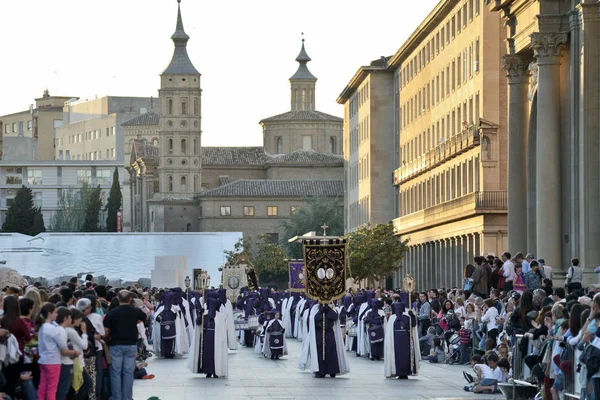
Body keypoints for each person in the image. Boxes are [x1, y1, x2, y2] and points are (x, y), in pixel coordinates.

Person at [103, 290, 147, 400]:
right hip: (131, 345)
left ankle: (117, 397)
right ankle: (127, 397)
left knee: (115, 373)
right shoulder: (135, 311)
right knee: (128, 372)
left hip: (115, 345)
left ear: (118, 299)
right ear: (129, 299)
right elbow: (145, 318)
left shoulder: (112, 313)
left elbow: (106, 331)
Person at [37, 303, 80, 400]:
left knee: (42, 387)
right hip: (53, 361)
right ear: (49, 314)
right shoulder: (54, 329)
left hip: (43, 360)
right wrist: (74, 352)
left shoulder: (42, 327)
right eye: (55, 312)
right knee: (52, 389)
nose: (57, 314)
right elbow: (63, 348)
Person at [298, 303, 350, 378]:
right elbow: (313, 319)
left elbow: (335, 317)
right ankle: (321, 371)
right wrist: (321, 311)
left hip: (329, 332)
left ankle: (332, 370)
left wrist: (328, 310)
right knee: (319, 351)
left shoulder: (332, 307)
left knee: (331, 351)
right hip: (319, 332)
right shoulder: (315, 307)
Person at [1, 295, 31, 397]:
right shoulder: (19, 321)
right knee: (13, 385)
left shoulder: (2, 319)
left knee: (6, 383)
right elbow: (28, 337)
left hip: (4, 355)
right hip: (17, 354)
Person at [383, 302, 419, 379]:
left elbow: (413, 325)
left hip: (406, 340)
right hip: (395, 341)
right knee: (397, 356)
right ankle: (397, 371)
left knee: (406, 356)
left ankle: (405, 372)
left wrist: (412, 316)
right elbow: (389, 331)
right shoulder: (393, 318)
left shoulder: (407, 316)